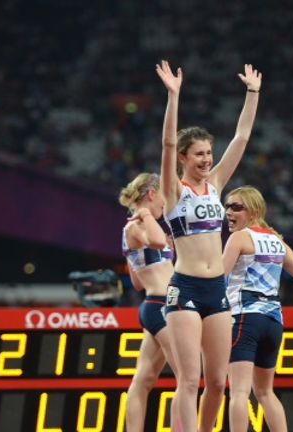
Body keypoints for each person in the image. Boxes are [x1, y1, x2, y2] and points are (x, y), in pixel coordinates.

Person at [155, 59, 261, 432]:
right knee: (188, 378)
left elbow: (242, 138)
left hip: (216, 289)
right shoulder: (173, 191)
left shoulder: (215, 184)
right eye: (198, 154)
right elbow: (168, 142)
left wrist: (252, 93)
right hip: (184, 288)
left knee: (218, 382)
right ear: (184, 158)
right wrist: (173, 96)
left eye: (208, 153)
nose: (206, 159)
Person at [221, 186, 293, 432]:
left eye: (236, 207)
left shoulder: (239, 238)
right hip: (274, 322)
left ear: (254, 210)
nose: (228, 212)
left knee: (240, 392)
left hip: (245, 318)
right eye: (227, 206)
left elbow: (218, 279)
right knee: (265, 392)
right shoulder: (277, 241)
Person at [118, 173, 178, 432]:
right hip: (161, 306)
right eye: (163, 196)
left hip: (155, 304)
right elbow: (155, 241)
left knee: (144, 380)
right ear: (152, 193)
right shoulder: (137, 225)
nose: (166, 204)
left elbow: (138, 282)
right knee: (187, 376)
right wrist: (146, 215)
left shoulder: (138, 227)